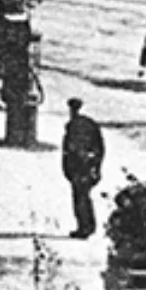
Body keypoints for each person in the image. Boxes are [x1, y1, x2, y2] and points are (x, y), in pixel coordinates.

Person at [61, 98, 106, 238]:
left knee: (80, 197)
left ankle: (84, 227)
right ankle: (87, 225)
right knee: (83, 197)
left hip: (81, 167)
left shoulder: (76, 127)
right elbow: (100, 147)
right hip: (87, 166)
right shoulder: (88, 124)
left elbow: (72, 149)